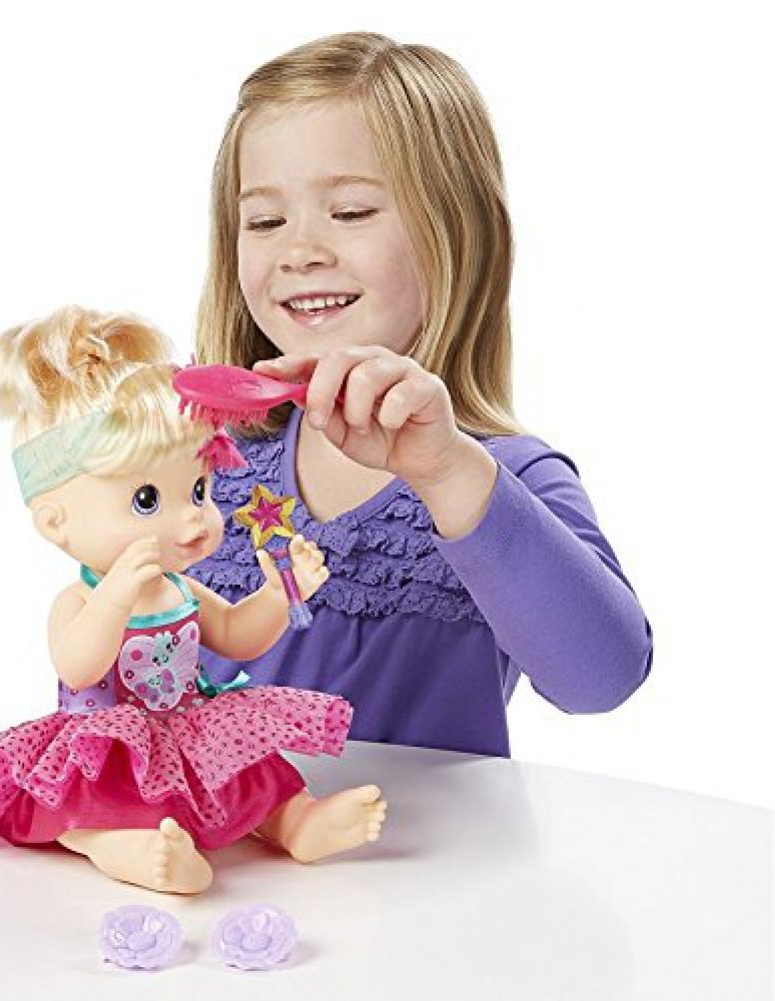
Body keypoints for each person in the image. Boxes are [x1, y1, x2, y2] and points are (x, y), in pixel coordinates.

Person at [185, 32, 654, 757]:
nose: (299, 251)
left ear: (455, 232)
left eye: (350, 211)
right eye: (266, 221)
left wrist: (446, 470)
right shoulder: (204, 466)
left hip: (423, 839)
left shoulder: (500, 476)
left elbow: (600, 678)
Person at [0, 305, 387, 895]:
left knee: (254, 770)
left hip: (186, 725)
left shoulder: (179, 588)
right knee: (97, 805)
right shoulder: (79, 600)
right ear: (55, 521)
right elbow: (78, 666)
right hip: (108, 746)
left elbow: (236, 636)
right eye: (147, 500)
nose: (194, 519)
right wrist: (115, 598)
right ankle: (123, 847)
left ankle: (297, 821)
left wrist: (280, 594)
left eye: (198, 490)